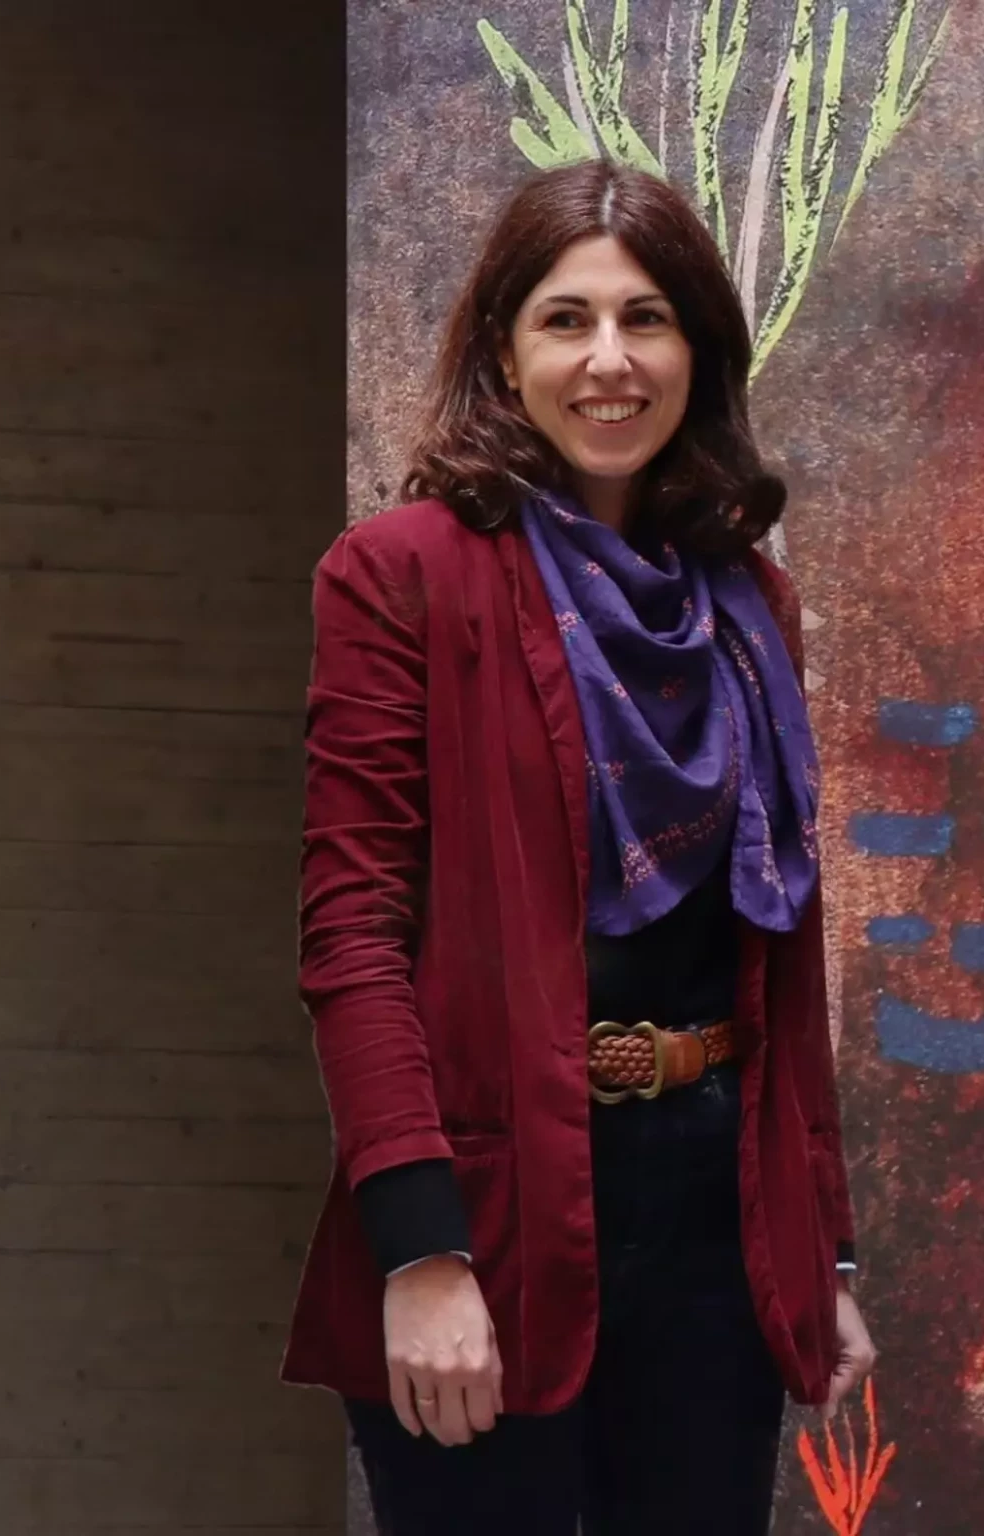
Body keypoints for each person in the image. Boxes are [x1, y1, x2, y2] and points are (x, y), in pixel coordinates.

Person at [281, 159, 876, 1536]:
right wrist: (419, 1251)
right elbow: (352, 936)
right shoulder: (402, 574)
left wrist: (823, 1248)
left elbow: (780, 946)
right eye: (565, 320)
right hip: (492, 1220)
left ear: (695, 352)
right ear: (505, 353)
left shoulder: (748, 602)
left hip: (716, 1223)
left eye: (645, 318)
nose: (609, 360)